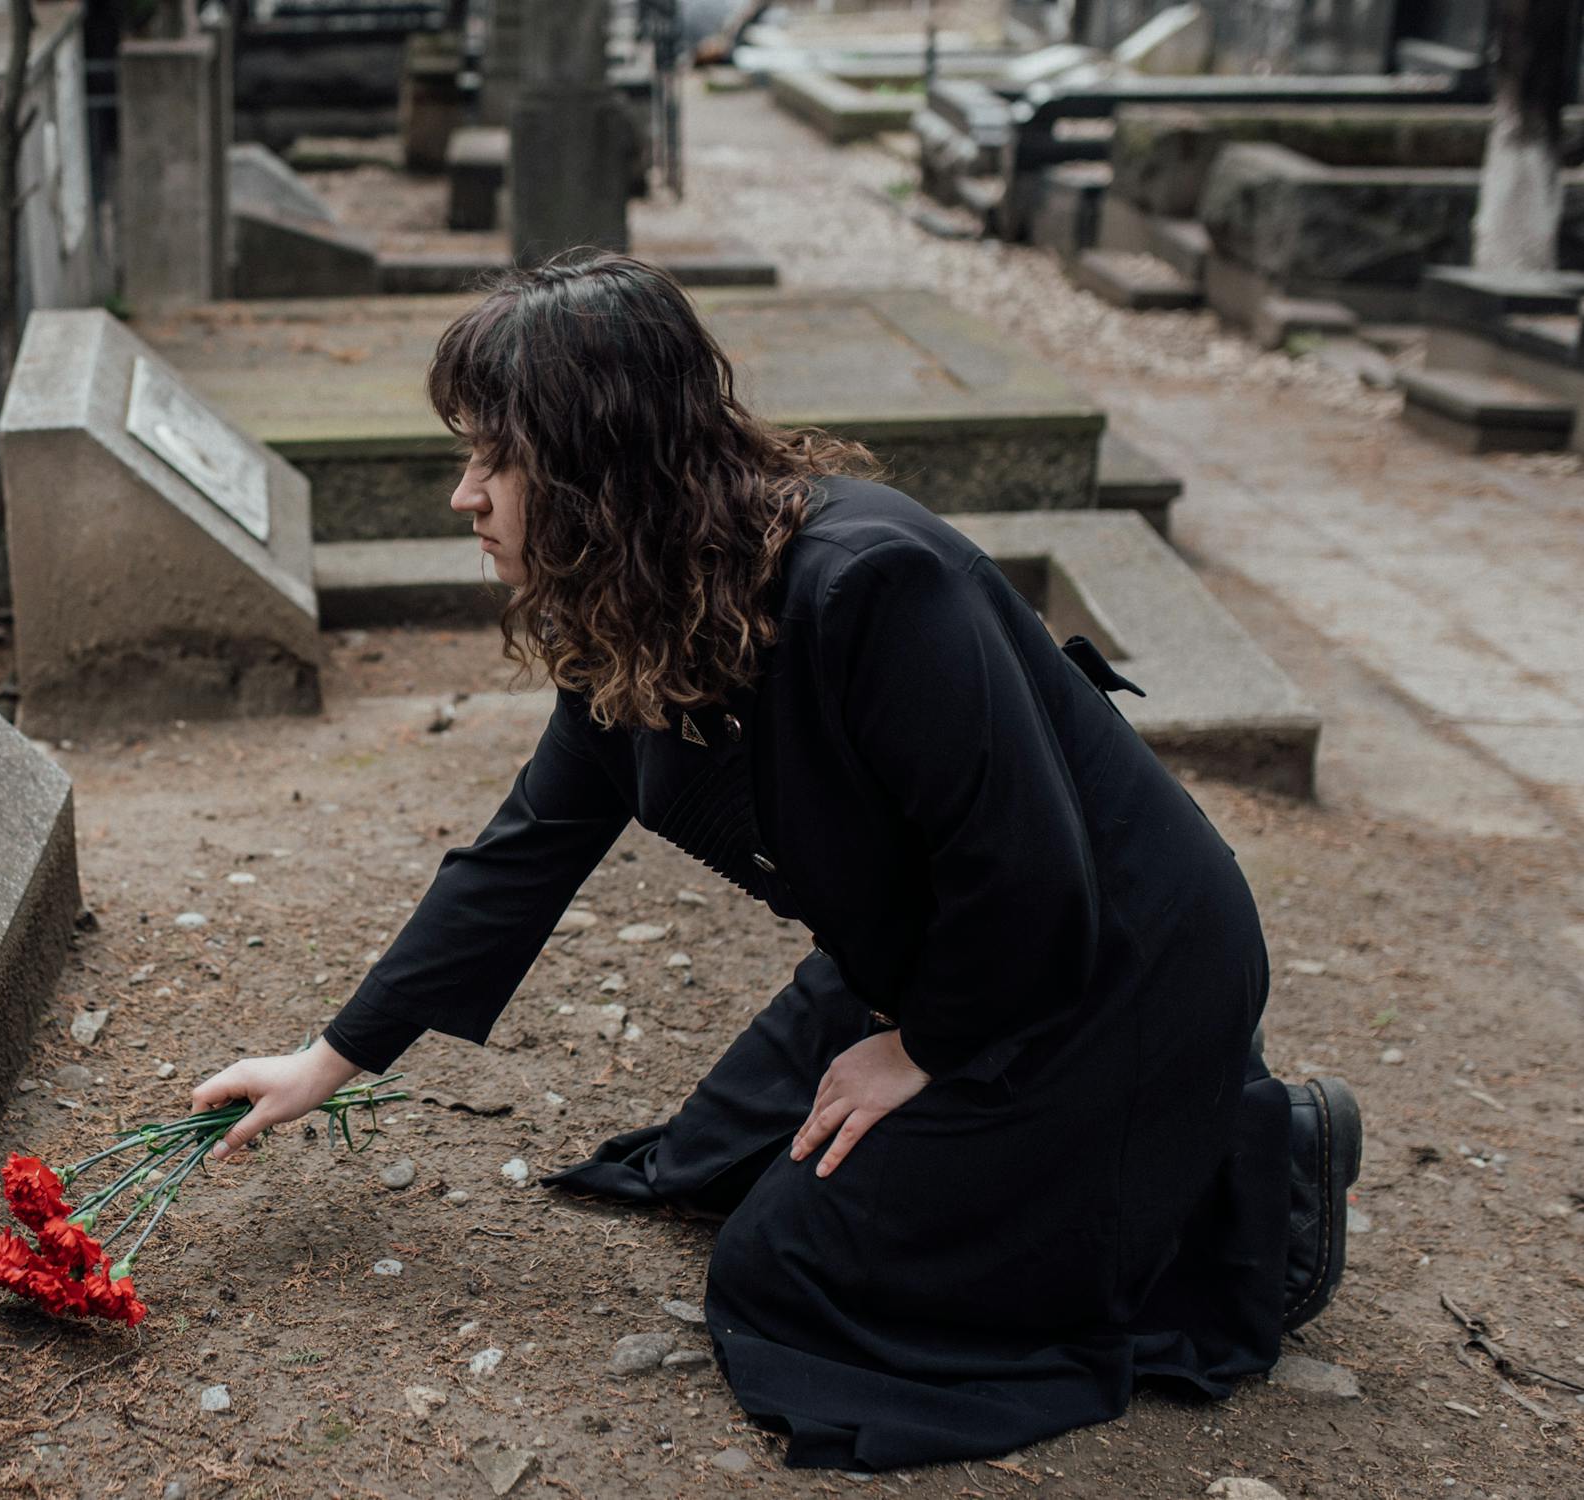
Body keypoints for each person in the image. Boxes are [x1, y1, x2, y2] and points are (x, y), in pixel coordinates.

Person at [191, 254, 1362, 1472]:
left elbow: (1033, 875)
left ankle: (1245, 1175)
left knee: (786, 1273)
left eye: (495, 459)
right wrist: (326, 1060)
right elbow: (522, 857)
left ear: (600, 468)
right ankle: (1121, 1148)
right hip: (938, 945)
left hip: (1108, 963)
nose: (465, 497)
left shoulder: (871, 587)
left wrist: (919, 1048)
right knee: (718, 1154)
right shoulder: (644, 607)